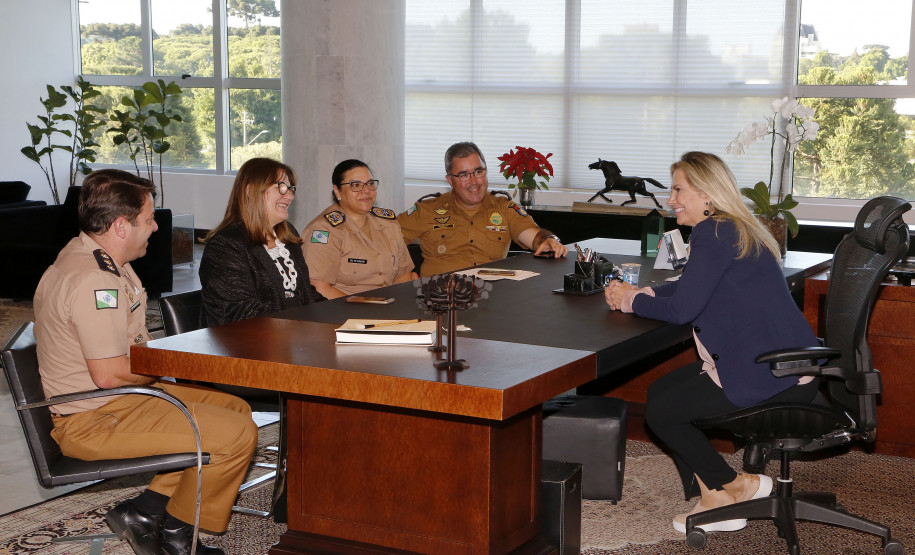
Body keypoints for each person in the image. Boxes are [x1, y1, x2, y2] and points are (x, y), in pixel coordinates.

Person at [33, 169, 257, 555]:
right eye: (149, 219)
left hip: (115, 401)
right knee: (236, 434)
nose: (154, 227)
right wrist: (172, 366)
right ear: (121, 226)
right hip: (94, 418)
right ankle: (179, 536)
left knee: (235, 408)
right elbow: (109, 374)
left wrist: (170, 363)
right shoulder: (94, 280)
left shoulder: (98, 258)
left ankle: (146, 510)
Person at [605, 151, 820, 534]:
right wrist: (644, 294)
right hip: (778, 362)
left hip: (772, 371)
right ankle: (721, 492)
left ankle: (728, 490)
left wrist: (630, 300)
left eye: (678, 190)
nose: (671, 199)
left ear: (706, 194)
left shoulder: (714, 232)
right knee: (660, 391)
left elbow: (683, 309)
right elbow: (693, 288)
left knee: (663, 412)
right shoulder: (731, 227)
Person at [397, 141, 568, 276]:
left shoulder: (504, 208)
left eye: (478, 172)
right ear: (450, 180)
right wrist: (402, 275)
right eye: (464, 175)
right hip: (441, 297)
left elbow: (533, 236)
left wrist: (548, 239)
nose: (474, 182)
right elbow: (387, 237)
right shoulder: (427, 210)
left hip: (491, 296)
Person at [200, 157, 325, 327]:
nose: (289, 196)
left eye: (290, 189)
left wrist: (339, 319)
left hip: (294, 335)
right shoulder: (225, 246)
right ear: (250, 190)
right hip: (245, 340)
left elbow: (306, 295)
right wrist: (302, 329)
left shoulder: (287, 235)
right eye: (281, 187)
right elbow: (242, 314)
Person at [302, 159, 415, 299]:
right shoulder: (324, 230)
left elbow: (403, 276)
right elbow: (319, 288)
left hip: (388, 306)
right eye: (355, 185)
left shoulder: (389, 224)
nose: (366, 190)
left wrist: (396, 305)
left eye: (370, 184)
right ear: (337, 191)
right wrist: (367, 307)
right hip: (343, 308)